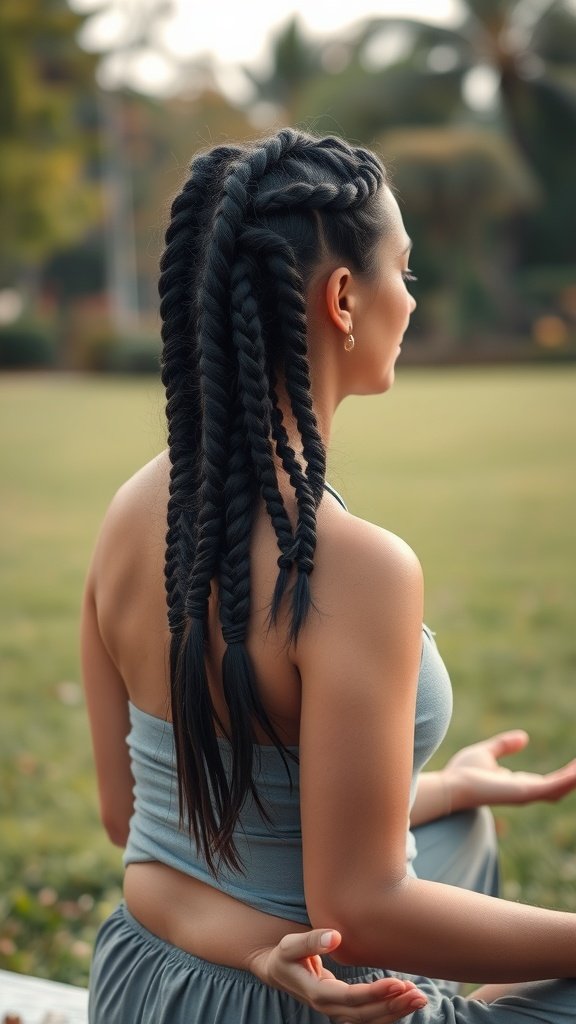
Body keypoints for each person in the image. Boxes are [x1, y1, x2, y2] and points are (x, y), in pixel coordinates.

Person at [83, 128, 576, 1024]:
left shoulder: (131, 515)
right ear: (343, 298)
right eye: (407, 273)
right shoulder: (358, 570)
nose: (412, 302)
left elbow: (138, 831)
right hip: (302, 1003)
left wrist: (450, 787)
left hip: (146, 978)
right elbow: (360, 910)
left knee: (461, 827)